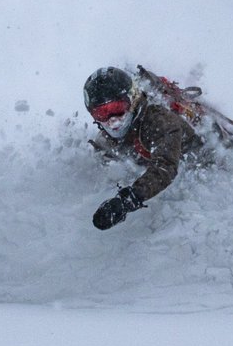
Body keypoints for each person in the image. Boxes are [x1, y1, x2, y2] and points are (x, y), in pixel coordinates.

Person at [83, 65, 208, 231]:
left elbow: (165, 167)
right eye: (101, 114)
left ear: (133, 99)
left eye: (117, 109)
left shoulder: (160, 121)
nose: (111, 121)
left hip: (201, 164)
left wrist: (127, 200)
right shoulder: (105, 140)